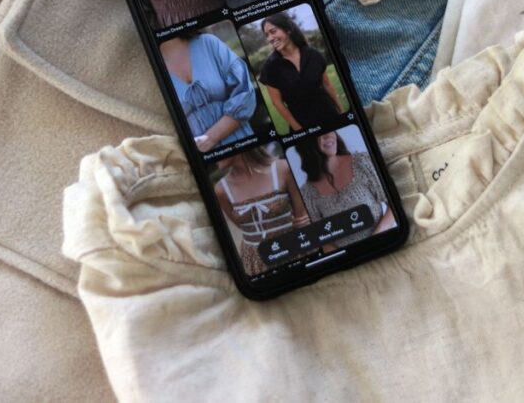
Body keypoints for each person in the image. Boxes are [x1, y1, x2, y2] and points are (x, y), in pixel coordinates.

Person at [213, 147, 310, 275]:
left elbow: (302, 217)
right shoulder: (221, 189)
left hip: (293, 249)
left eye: (216, 148)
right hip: (254, 259)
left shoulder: (283, 168)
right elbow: (243, 227)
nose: (213, 154)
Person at [296, 131, 396, 247]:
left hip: (383, 243)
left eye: (329, 129)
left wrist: (375, 239)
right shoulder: (308, 193)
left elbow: (393, 204)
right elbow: (321, 239)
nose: (327, 135)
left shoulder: (362, 163)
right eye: (318, 134)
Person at [160, 32, 256, 152]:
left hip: (242, 141)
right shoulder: (152, 68)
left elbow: (245, 92)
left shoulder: (208, 43)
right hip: (203, 158)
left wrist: (210, 138)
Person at [258, 12, 343, 132]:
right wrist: (298, 128)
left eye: (273, 31)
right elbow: (277, 102)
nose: (270, 38)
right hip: (302, 122)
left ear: (288, 30)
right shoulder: (270, 67)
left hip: (329, 113)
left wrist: (342, 112)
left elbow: (327, 85)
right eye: (267, 35)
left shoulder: (314, 55)